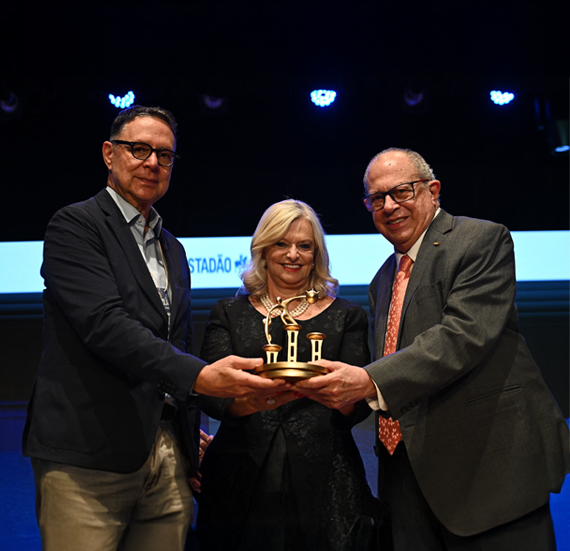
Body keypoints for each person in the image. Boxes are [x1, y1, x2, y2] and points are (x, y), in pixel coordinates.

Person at [22, 105, 289, 551]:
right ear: (109, 154)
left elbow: (174, 343)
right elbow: (106, 327)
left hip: (167, 456)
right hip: (88, 457)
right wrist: (203, 376)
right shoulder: (74, 226)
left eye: (164, 155)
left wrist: (186, 437)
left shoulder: (174, 248)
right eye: (139, 149)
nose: (152, 163)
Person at [295, 148, 570, 550]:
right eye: (376, 199)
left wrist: (368, 380)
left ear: (433, 191)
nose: (389, 206)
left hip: (491, 470)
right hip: (408, 480)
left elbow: (463, 336)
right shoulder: (383, 278)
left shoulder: (480, 239)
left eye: (401, 192)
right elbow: (396, 366)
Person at [196, 199, 384, 551]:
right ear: (263, 250)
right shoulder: (228, 313)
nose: (293, 254)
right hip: (240, 475)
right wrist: (251, 401)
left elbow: (357, 408)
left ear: (316, 254)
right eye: (281, 243)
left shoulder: (347, 316)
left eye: (304, 245)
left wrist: (337, 395)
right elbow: (210, 395)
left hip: (328, 481)